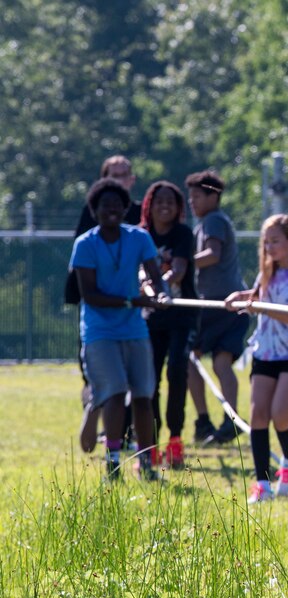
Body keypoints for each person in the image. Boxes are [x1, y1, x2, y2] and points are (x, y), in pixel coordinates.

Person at [70, 178, 170, 480]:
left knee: (143, 395)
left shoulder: (139, 238)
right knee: (116, 392)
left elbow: (155, 277)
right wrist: (132, 300)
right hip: (99, 331)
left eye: (117, 205)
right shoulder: (85, 244)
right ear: (95, 209)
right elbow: (89, 294)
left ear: (125, 208)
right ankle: (113, 460)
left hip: (134, 329)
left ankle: (146, 461)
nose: (111, 210)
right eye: (105, 205)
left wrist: (160, 294)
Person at [226, 215, 288, 504]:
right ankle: (263, 485)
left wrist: (260, 307)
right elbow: (255, 295)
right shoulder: (267, 271)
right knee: (258, 416)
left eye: (275, 241)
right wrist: (237, 298)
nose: (269, 247)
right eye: (265, 241)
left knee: (281, 414)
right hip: (266, 351)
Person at [71, 155, 142, 453]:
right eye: (113, 174)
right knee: (110, 385)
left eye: (124, 173)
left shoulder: (138, 224)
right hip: (99, 320)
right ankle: (99, 412)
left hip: (133, 319)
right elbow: (85, 280)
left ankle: (124, 438)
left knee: (132, 387)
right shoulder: (91, 223)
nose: (118, 178)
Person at [184, 169, 250, 446]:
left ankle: (219, 422)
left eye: (198, 196)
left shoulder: (213, 221)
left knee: (196, 361)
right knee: (212, 363)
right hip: (222, 305)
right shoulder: (209, 222)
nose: (192, 202)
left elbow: (212, 255)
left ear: (214, 196)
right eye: (191, 197)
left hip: (220, 305)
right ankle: (218, 422)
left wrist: (181, 263)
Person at [139, 181, 198, 469]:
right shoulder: (142, 236)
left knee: (177, 372)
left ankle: (175, 441)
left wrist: (161, 287)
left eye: (171, 202)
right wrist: (150, 293)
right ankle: (150, 446)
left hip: (181, 316)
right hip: (152, 319)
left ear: (178, 208)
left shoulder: (183, 234)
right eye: (159, 201)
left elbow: (180, 268)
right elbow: (140, 273)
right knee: (149, 382)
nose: (165, 206)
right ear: (149, 205)